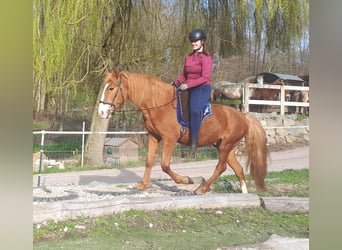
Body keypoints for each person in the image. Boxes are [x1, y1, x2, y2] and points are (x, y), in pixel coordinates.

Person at [173, 29, 213, 156]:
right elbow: (183, 75)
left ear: (202, 42)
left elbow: (205, 78)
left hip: (201, 88)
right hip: (187, 86)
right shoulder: (189, 57)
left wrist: (188, 85)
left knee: (194, 109)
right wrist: (176, 83)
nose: (193, 43)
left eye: (195, 41)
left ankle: (194, 141)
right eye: (192, 41)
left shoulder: (206, 58)